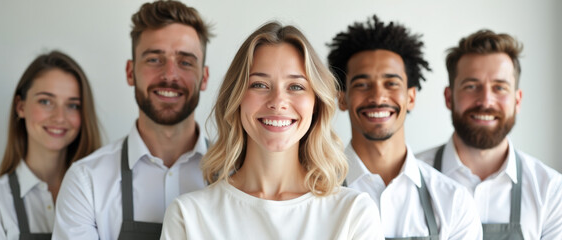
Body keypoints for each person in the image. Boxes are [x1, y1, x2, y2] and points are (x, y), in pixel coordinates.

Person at [160, 21, 384, 240]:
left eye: (295, 87)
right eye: (259, 85)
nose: (278, 101)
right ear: (236, 99)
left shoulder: (354, 213)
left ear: (316, 104)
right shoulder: (188, 216)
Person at [52, 1, 213, 239]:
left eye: (185, 62)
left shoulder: (234, 174)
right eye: (154, 59)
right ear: (130, 72)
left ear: (204, 77)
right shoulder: (86, 182)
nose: (169, 74)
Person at [327, 15, 483, 239]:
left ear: (410, 97)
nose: (378, 96)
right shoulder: (312, 191)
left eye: (391, 83)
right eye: (362, 84)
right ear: (342, 98)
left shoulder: (453, 202)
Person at [417, 29, 562, 239]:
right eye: (471, 86)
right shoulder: (409, 178)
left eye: (499, 88)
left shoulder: (551, 191)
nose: (485, 101)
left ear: (517, 100)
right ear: (449, 97)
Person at [0, 50, 102, 240]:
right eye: (46, 101)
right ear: (20, 106)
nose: (59, 117)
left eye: (73, 105)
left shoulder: (100, 192)